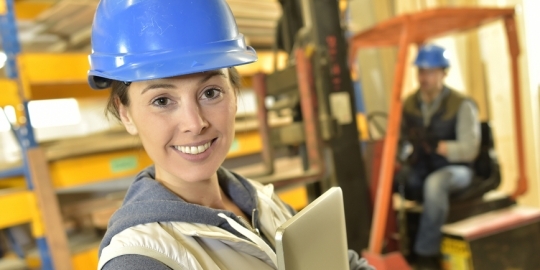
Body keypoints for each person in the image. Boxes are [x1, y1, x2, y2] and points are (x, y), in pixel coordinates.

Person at [87, 1, 373, 269]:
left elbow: (340, 262)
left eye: (210, 92)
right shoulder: (141, 258)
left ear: (234, 93)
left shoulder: (261, 201)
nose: (194, 123)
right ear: (125, 113)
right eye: (162, 100)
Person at [396, 44, 481, 269]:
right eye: (421, 72)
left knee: (435, 184)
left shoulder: (461, 105)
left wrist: (440, 146)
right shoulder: (409, 104)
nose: (424, 77)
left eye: (430, 72)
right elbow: (401, 140)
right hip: (424, 165)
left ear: (443, 73)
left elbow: (470, 149)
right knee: (401, 181)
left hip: (457, 169)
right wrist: (406, 150)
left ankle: (426, 255)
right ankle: (403, 245)